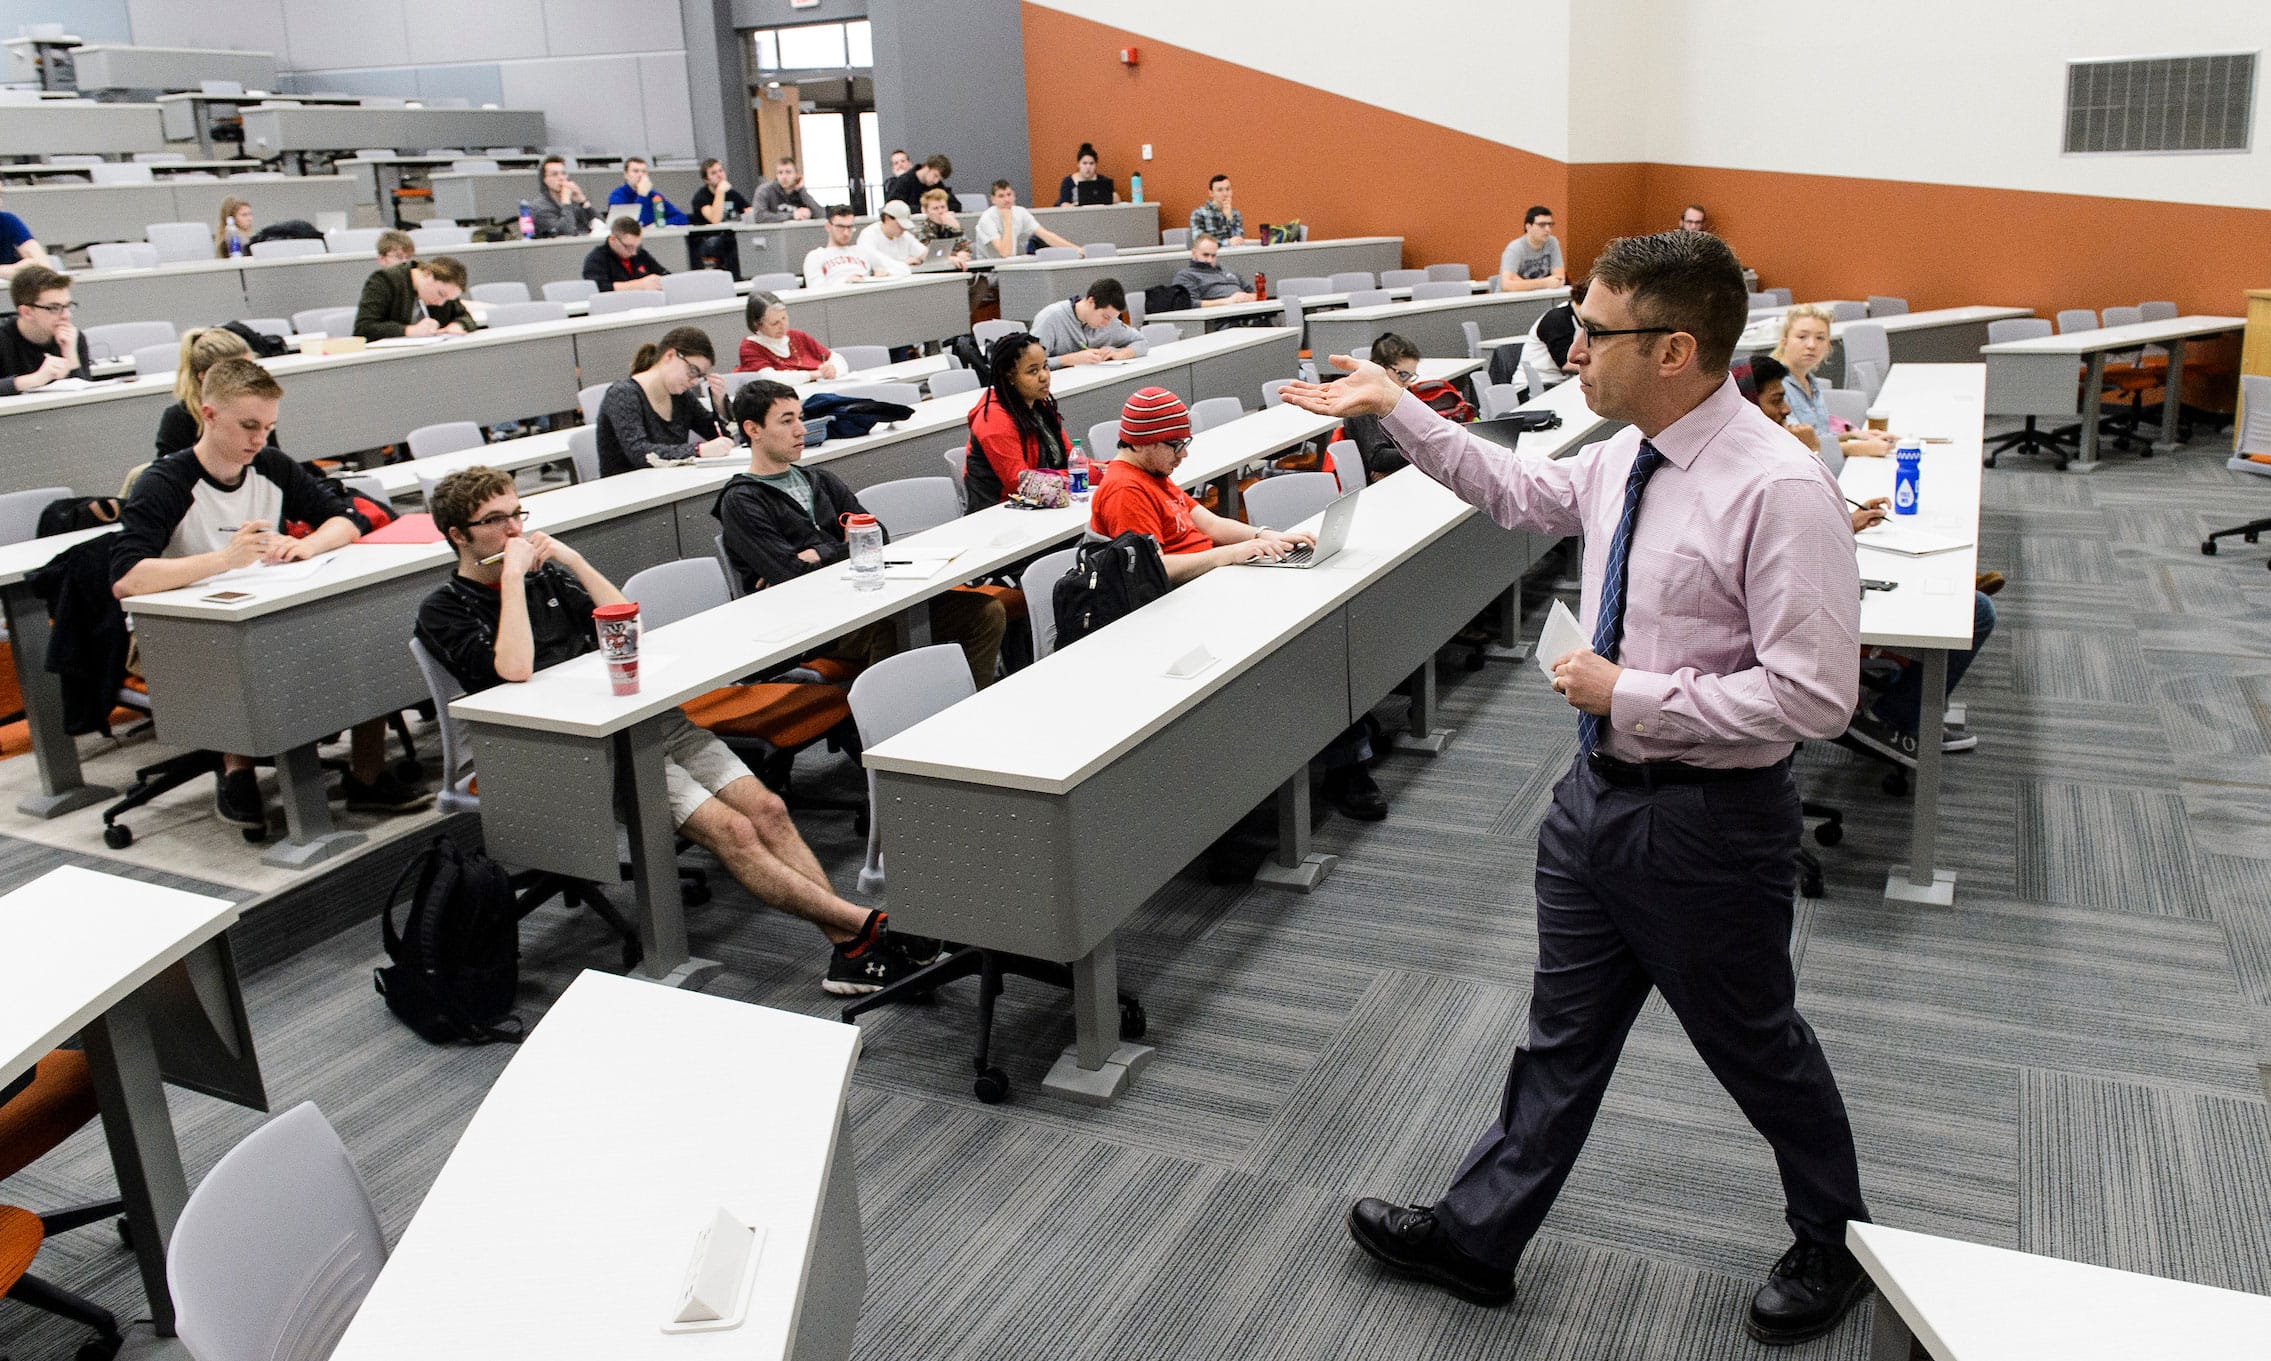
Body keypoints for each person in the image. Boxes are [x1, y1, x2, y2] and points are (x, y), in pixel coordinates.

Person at [1284, 230, 1876, 1346]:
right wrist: (1394, 406)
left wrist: (1631, 692)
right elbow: (1514, 487)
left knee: (1754, 1041)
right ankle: (1479, 1234)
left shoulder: (1778, 489)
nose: (1571, 351)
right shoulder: (1624, 451)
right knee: (1562, 1035)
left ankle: (1836, 1235)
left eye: (1595, 333)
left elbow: (1813, 699)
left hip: (1708, 824)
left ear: (1676, 348)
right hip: (1594, 802)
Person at [415, 464, 928, 996]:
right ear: (458, 535)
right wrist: (516, 579)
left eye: (517, 514)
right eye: (495, 521)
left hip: (647, 720)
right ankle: (867, 925)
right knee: (733, 831)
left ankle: (850, 944)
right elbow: (515, 667)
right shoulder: (444, 609)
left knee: (769, 810)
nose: (514, 531)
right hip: (576, 749)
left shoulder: (549, 576)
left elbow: (627, 625)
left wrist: (571, 559)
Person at [112, 357, 428, 826]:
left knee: (366, 631)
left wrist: (307, 545)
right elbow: (127, 579)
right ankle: (236, 768)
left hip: (262, 603)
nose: (259, 439)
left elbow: (349, 518)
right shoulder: (165, 483)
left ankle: (367, 775)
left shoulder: (270, 466)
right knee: (260, 653)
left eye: (268, 426)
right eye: (248, 426)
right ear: (209, 414)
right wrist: (224, 560)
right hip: (177, 632)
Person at [1088, 389, 1387, 818]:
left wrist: (1263, 535)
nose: (1184, 455)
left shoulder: (1154, 476)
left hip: (1209, 586)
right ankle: (1345, 762)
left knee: (1320, 621)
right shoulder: (1123, 490)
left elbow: (1204, 521)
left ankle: (1342, 733)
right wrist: (1225, 556)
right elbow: (1149, 570)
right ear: (1145, 441)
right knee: (1308, 643)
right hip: (1176, 609)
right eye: (1177, 445)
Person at [1747, 355, 1996, 764]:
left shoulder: (1767, 452)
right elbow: (1784, 545)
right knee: (1974, 612)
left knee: (1959, 596)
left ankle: (1907, 705)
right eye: (1777, 400)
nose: (1787, 409)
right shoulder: (1761, 465)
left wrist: (1847, 521)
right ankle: (1895, 717)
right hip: (1805, 608)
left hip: (1814, 585)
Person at [714, 380, 1007, 689]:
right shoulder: (741, 500)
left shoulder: (818, 479)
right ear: (753, 429)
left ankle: (961, 705)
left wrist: (820, 553)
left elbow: (877, 536)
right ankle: (893, 726)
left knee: (985, 612)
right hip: (812, 624)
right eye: (786, 421)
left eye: (800, 418)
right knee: (891, 630)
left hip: (863, 600)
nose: (801, 429)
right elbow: (791, 573)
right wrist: (844, 547)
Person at [594, 326, 734, 477]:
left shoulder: (682, 396)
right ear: (670, 356)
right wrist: (698, 450)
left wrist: (720, 406)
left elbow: (722, 439)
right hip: (627, 491)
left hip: (670, 483)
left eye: (700, 375)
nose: (694, 381)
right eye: (693, 370)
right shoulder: (622, 394)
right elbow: (640, 453)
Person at [962, 332, 1071, 512]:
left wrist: (1107, 469)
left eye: (1045, 366)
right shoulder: (993, 420)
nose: (1044, 376)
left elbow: (1071, 457)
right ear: (1010, 377)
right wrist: (1074, 476)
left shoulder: (1040, 406)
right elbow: (1019, 482)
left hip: (1043, 504)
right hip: (1000, 514)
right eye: (1033, 371)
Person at [1773, 305, 1893, 464]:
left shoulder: (1811, 382)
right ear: (1784, 342)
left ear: (1828, 345)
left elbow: (1819, 436)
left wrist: (1856, 436)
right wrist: (1860, 448)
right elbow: (1799, 443)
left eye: (1820, 338)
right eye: (1802, 337)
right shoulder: (1776, 387)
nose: (1811, 345)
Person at [153, 326, 273, 457]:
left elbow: (272, 467)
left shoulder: (259, 410)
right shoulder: (179, 418)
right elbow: (170, 473)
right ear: (204, 376)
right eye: (232, 374)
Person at [1340, 331, 1420, 480]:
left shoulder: (1401, 395)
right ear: (1380, 368)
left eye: (1411, 375)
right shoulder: (1362, 404)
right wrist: (1420, 450)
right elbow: (1378, 459)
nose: (1408, 382)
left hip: (1401, 475)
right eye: (1402, 375)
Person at [0, 265, 91, 396]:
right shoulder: (3, 339)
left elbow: (86, 399)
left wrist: (70, 355)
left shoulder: (72, 337)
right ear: (26, 312)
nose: (66, 315)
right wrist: (33, 380)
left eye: (68, 306)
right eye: (54, 308)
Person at [353, 255, 474, 340]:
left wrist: (456, 326)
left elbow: (465, 317)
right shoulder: (384, 281)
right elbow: (364, 328)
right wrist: (409, 330)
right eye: (441, 294)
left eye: (448, 299)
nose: (441, 303)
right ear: (427, 274)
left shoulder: (445, 291)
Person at [1029, 279, 1143, 367]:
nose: (1107, 324)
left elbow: (1141, 341)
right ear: (1091, 302)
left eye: (1111, 319)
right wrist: (1068, 359)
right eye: (1105, 317)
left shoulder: (1110, 322)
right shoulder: (1051, 318)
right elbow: (1031, 364)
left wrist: (1122, 354)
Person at [735, 290, 844, 381]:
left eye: (784, 318)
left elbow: (835, 358)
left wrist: (833, 369)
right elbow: (770, 378)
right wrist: (816, 374)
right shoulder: (750, 348)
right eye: (775, 323)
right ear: (757, 325)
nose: (783, 326)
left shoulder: (798, 336)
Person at [974, 181, 1079, 260]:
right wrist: (1008, 222)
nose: (1006, 200)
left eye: (1009, 194)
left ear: (1014, 195)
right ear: (993, 199)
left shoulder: (1021, 212)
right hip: (989, 271)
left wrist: (1076, 250)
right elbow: (1006, 253)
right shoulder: (987, 218)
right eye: (1001, 196)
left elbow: (1047, 236)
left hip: (1012, 266)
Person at [801, 206, 901, 288]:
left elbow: (902, 269)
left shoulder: (862, 251)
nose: (846, 233)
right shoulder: (816, 256)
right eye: (840, 227)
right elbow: (816, 290)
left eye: (850, 227)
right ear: (828, 227)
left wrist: (886, 274)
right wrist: (846, 282)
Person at [1515, 278, 1586, 389]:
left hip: (1559, 383)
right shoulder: (1557, 319)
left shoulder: (1579, 318)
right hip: (1534, 387)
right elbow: (1565, 363)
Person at [688, 157, 748, 275]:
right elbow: (715, 219)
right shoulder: (701, 197)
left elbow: (748, 210)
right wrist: (720, 192)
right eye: (714, 173)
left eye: (721, 171)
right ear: (706, 179)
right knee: (729, 244)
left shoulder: (732, 193)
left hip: (730, 235)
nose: (719, 175)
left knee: (744, 241)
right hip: (709, 240)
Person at [581, 217, 668, 292]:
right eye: (628, 247)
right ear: (613, 239)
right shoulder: (596, 259)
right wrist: (640, 285)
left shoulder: (640, 254)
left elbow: (663, 274)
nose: (634, 252)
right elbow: (597, 288)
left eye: (637, 247)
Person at [1171, 234, 1255, 307]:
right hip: (1220, 320)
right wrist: (1228, 301)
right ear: (1194, 253)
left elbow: (1254, 293)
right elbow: (1191, 304)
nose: (1210, 260)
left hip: (1247, 311)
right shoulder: (1186, 276)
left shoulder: (1228, 270)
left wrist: (1247, 297)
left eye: (1213, 255)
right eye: (1205, 255)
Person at [1497, 205, 1566, 293]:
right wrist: (1545, 283)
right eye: (1542, 225)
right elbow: (1507, 285)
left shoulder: (1552, 242)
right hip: (1509, 301)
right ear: (1528, 227)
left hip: (1539, 296)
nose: (1548, 229)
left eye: (1550, 224)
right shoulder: (1515, 248)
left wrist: (1521, 283)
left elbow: (1559, 278)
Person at [606, 156, 687, 227]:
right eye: (635, 171)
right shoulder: (617, 196)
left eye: (644, 172)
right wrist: (642, 196)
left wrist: (659, 224)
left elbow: (681, 218)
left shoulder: (654, 195)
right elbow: (630, 225)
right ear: (626, 175)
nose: (640, 175)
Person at [530, 155, 599, 238]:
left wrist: (583, 201)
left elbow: (602, 225)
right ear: (544, 180)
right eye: (554, 174)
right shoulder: (538, 208)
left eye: (563, 173)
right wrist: (566, 201)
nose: (561, 178)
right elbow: (566, 233)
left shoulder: (574, 202)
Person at [855, 200, 928, 273]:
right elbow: (874, 259)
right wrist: (903, 264)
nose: (903, 229)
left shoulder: (904, 235)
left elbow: (923, 253)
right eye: (899, 225)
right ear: (887, 219)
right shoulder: (869, 235)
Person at [0, 186, 52, 281]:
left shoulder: (7, 220)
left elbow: (42, 265)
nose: (1, 203)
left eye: (0, 195)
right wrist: (14, 269)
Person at [751, 156, 823, 222]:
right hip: (773, 233)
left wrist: (802, 190)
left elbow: (821, 215)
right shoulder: (764, 190)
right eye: (780, 173)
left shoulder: (800, 192)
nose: (784, 176)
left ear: (797, 175)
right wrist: (793, 215)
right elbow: (759, 216)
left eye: (788, 172)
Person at [882, 153, 958, 215]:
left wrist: (936, 208)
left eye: (939, 178)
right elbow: (891, 207)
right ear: (927, 167)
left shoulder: (937, 185)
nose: (936, 181)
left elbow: (956, 205)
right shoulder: (904, 181)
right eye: (935, 176)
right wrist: (925, 208)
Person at [915, 188, 971, 266]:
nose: (941, 211)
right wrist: (957, 255)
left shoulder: (951, 225)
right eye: (935, 208)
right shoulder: (921, 230)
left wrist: (956, 229)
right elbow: (932, 255)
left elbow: (967, 250)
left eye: (943, 207)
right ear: (925, 211)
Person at [1189, 174, 1249, 246]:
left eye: (1228, 189)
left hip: (1232, 254)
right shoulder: (1199, 213)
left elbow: (1239, 239)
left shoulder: (1235, 213)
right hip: (1210, 255)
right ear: (1211, 193)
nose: (1225, 194)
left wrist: (1229, 218)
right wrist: (1227, 243)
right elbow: (1199, 240)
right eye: (1220, 190)